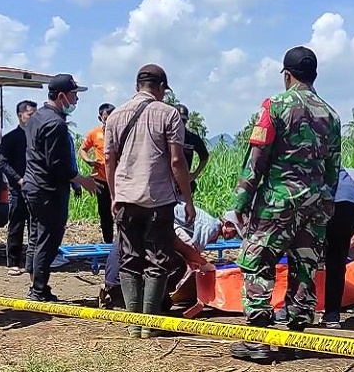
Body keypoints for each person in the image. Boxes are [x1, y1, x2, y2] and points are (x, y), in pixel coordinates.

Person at [230, 45, 341, 361]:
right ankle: (295, 338)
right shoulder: (331, 114)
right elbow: (334, 166)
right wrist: (326, 202)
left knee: (257, 262)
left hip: (278, 202)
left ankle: (258, 340)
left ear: (287, 75)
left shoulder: (274, 106)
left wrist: (241, 200)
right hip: (316, 205)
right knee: (304, 267)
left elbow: (257, 157)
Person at [104, 63, 196, 339]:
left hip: (126, 199)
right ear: (161, 88)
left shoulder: (115, 116)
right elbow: (177, 161)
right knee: (158, 260)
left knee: (129, 259)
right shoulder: (169, 114)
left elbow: (109, 159)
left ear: (137, 86)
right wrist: (188, 200)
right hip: (159, 199)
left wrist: (113, 195)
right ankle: (149, 324)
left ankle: (133, 325)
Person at [22, 73, 98, 302]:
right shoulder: (55, 124)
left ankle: (37, 285)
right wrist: (81, 179)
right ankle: (38, 290)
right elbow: (57, 166)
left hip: (33, 185)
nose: (76, 101)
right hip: (48, 190)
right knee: (49, 239)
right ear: (62, 96)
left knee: (37, 236)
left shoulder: (36, 117)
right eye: (74, 95)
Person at [100, 200, 238, 310]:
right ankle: (141, 302)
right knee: (175, 266)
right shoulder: (209, 227)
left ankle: (119, 295)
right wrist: (205, 265)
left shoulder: (133, 223)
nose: (234, 236)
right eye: (234, 231)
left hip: (113, 280)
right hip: (122, 284)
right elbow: (190, 252)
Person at [321, 167, 354, 329]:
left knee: (306, 256)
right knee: (337, 260)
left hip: (332, 202)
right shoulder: (339, 167)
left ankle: (297, 311)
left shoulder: (308, 160)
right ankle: (332, 315)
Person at [0, 100, 37, 277]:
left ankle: (33, 262)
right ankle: (13, 262)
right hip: (18, 188)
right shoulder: (11, 138)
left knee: (35, 226)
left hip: (36, 188)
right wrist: (18, 180)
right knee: (16, 225)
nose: (33, 118)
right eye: (30, 114)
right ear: (20, 115)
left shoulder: (37, 137)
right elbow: (3, 163)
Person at [79, 103, 116, 243]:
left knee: (122, 212)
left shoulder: (122, 133)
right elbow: (82, 149)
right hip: (101, 179)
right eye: (107, 118)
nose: (110, 120)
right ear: (100, 118)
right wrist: (89, 161)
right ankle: (108, 242)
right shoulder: (94, 133)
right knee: (105, 213)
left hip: (119, 180)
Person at [174, 104, 210, 194]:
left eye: (183, 120)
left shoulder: (192, 139)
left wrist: (195, 174)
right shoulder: (164, 137)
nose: (181, 123)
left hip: (184, 186)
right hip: (166, 185)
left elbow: (204, 156)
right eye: (178, 120)